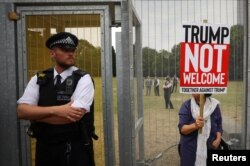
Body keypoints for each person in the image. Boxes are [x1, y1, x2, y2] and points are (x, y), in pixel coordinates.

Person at [17, 32, 95, 166]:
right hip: (45, 148)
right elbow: (21, 111)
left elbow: (72, 116)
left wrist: (35, 115)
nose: (70, 53)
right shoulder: (39, 78)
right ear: (52, 53)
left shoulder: (83, 78)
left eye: (72, 50)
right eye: (65, 50)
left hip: (75, 149)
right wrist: (58, 110)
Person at [178, 94, 222, 166]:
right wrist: (195, 125)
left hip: (210, 146)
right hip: (190, 148)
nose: (193, 89)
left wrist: (218, 139)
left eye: (196, 87)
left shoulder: (214, 105)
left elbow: (218, 124)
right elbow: (182, 129)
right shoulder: (187, 105)